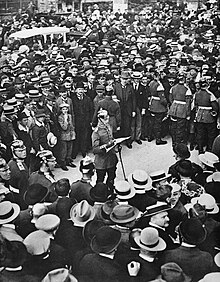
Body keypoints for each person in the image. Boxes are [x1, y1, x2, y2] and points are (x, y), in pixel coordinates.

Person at [92, 109, 118, 190]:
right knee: (100, 181)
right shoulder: (96, 133)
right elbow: (95, 149)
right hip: (101, 162)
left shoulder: (109, 127)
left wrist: (116, 145)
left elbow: (111, 138)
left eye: (107, 117)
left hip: (111, 159)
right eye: (105, 118)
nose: (108, 119)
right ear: (100, 119)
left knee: (111, 178)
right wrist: (107, 145)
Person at [149, 71, 168, 145]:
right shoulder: (159, 85)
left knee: (152, 122)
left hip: (152, 103)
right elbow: (162, 99)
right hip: (158, 106)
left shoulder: (151, 83)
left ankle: (150, 136)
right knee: (158, 123)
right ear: (158, 76)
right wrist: (166, 104)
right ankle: (158, 139)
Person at [58, 102, 76, 171]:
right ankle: (63, 163)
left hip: (70, 135)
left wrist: (73, 133)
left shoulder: (70, 116)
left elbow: (72, 125)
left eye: (66, 109)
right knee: (64, 150)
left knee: (69, 149)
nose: (65, 111)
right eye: (63, 109)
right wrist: (65, 120)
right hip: (64, 135)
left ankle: (68, 160)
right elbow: (64, 128)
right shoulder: (60, 117)